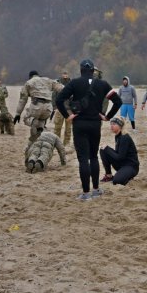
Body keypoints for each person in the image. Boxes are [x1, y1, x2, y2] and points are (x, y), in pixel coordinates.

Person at [55, 59, 121, 201]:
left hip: (79, 124)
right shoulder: (102, 84)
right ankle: (96, 190)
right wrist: (107, 116)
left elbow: (59, 100)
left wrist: (68, 116)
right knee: (93, 157)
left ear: (80, 70)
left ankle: (86, 193)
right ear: (93, 71)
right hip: (95, 124)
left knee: (83, 159)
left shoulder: (74, 83)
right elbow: (118, 101)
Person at [14, 71, 63, 142]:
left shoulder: (29, 82)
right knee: (42, 120)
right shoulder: (48, 80)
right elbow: (61, 88)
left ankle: (35, 136)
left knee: (28, 119)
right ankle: (41, 131)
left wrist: (18, 114)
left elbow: (22, 100)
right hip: (48, 107)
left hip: (36, 106)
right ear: (38, 75)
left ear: (30, 76)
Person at [99, 116, 139, 185]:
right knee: (103, 150)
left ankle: (128, 175)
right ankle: (109, 175)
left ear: (120, 126)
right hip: (122, 164)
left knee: (117, 181)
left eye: (114, 124)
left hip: (131, 166)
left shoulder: (124, 137)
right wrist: (106, 149)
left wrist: (107, 148)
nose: (111, 126)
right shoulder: (117, 136)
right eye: (111, 124)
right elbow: (118, 155)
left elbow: (120, 157)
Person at [52, 71, 73, 143]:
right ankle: (56, 142)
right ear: (62, 75)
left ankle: (66, 143)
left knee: (68, 129)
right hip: (59, 109)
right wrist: (54, 107)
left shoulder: (71, 83)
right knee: (57, 127)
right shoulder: (57, 84)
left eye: (66, 74)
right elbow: (54, 96)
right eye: (64, 74)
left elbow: (74, 97)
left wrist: (73, 108)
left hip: (69, 109)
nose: (65, 75)